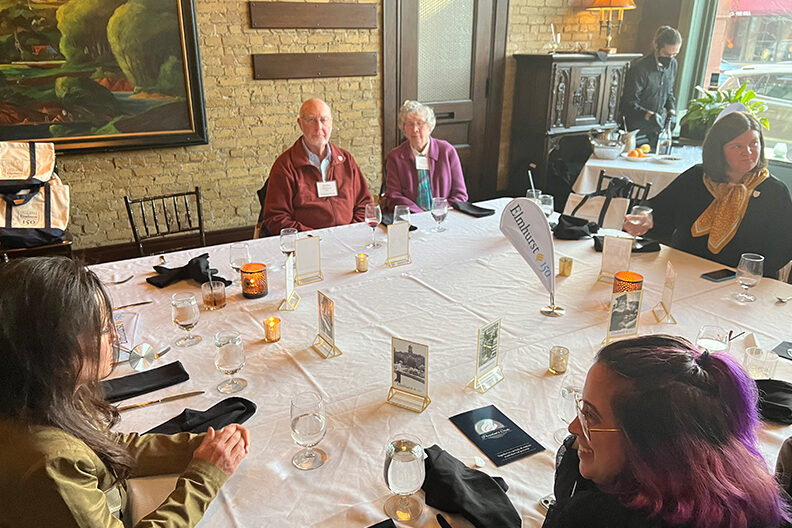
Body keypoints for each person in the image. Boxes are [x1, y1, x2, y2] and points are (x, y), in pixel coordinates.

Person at [0, 257, 251, 527]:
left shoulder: (46, 393)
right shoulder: (52, 463)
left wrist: (197, 448)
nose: (114, 335)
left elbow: (107, 447)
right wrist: (204, 478)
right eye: (103, 329)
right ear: (55, 352)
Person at [543, 335, 788, 528]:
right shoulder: (744, 495)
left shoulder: (595, 519)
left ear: (650, 447)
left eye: (591, 416)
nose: (573, 427)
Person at [624, 111, 792, 278]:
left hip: (742, 283)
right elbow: (658, 210)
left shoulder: (774, 191)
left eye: (754, 144)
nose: (748, 152)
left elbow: (784, 248)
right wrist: (646, 216)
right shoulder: (697, 177)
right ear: (719, 149)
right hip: (684, 271)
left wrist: (748, 272)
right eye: (737, 146)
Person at [262, 98, 372, 234]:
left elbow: (364, 205)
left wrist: (349, 232)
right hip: (308, 245)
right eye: (311, 120)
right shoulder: (285, 166)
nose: (319, 127)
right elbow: (276, 218)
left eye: (324, 120)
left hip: (348, 239)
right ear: (300, 124)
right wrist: (315, 237)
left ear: (331, 123)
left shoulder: (346, 160)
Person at [384, 100, 468, 214]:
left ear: (429, 126)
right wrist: (420, 215)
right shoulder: (395, 157)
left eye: (419, 123)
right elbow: (394, 196)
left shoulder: (447, 151)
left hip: (444, 217)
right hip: (412, 218)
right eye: (409, 124)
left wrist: (440, 211)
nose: (414, 129)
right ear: (403, 128)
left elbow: (460, 194)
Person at [620, 26, 682, 148]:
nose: (670, 59)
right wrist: (649, 115)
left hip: (657, 131)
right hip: (637, 131)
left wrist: (671, 110)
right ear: (656, 47)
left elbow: (668, 92)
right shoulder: (639, 69)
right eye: (666, 54)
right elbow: (627, 104)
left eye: (674, 54)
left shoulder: (673, 64)